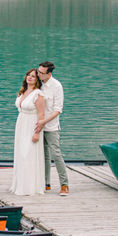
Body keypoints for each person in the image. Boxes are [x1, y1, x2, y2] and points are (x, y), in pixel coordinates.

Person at [10, 68, 47, 196]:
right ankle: (19, 184)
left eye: (33, 76)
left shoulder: (38, 94)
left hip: (32, 125)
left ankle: (30, 187)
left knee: (28, 155)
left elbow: (41, 114)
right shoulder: (23, 92)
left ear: (37, 80)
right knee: (20, 154)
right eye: (28, 75)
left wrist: (37, 132)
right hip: (21, 124)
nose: (30, 78)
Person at [38, 60, 68, 194]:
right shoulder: (39, 85)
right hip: (38, 126)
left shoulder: (56, 86)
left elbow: (58, 110)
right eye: (38, 71)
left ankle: (64, 184)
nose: (38, 74)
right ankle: (46, 183)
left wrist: (44, 121)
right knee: (43, 155)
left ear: (48, 74)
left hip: (51, 126)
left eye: (41, 73)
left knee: (56, 154)